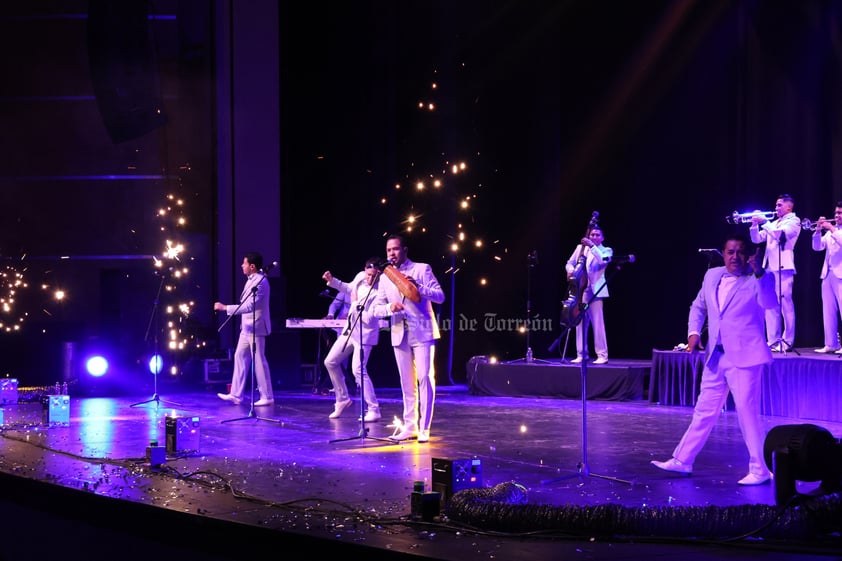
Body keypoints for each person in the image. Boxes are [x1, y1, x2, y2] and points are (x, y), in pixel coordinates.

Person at [651, 234, 778, 485]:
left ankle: (760, 469)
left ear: (748, 255)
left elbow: (770, 303)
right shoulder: (712, 275)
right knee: (704, 411)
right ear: (723, 253)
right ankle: (682, 460)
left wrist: (760, 273)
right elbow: (698, 306)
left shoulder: (759, 277)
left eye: (740, 252)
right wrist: (694, 333)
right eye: (730, 252)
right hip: (715, 356)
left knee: (746, 412)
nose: (735, 257)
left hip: (744, 358)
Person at [372, 235, 445, 443]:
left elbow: (440, 296)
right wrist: (389, 308)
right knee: (407, 383)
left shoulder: (422, 269)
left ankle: (424, 428)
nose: (391, 254)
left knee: (424, 378)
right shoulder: (385, 277)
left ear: (404, 250)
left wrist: (418, 288)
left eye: (395, 249)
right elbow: (377, 307)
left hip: (422, 331)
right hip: (399, 333)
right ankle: (410, 426)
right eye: (388, 250)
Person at [321, 257, 383, 421]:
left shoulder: (380, 291)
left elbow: (370, 318)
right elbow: (348, 288)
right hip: (350, 331)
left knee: (358, 370)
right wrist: (332, 281)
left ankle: (374, 409)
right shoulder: (360, 277)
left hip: (365, 335)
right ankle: (342, 399)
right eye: (369, 274)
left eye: (374, 275)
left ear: (380, 274)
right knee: (330, 361)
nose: (370, 278)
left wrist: (354, 304)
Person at [214, 251, 274, 407]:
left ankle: (267, 396)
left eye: (244, 263)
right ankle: (236, 394)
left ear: (252, 266)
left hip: (257, 327)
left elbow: (249, 306)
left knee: (259, 361)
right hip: (246, 328)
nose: (242, 265)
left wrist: (225, 307)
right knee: (239, 356)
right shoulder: (252, 280)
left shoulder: (261, 282)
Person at [749, 194, 801, 351]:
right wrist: (753, 224)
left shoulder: (794, 221)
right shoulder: (775, 222)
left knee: (786, 305)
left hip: (783, 267)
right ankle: (772, 341)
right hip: (769, 267)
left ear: (788, 207)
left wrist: (765, 221)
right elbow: (757, 239)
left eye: (779, 205)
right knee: (770, 305)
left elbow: (780, 236)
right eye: (776, 205)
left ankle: (787, 341)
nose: (776, 208)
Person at [564, 225, 612, 364]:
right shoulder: (580, 248)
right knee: (580, 322)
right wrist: (571, 270)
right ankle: (581, 354)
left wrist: (591, 245)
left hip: (595, 291)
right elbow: (570, 262)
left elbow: (602, 260)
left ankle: (602, 355)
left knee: (597, 323)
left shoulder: (606, 250)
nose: (594, 237)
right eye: (592, 235)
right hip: (581, 290)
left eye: (597, 235)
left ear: (602, 238)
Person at [811, 203, 842, 354]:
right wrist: (817, 230)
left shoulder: (834, 231)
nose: (837, 216)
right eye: (836, 213)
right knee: (828, 311)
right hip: (828, 274)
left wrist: (831, 228)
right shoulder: (831, 232)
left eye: (840, 213)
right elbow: (817, 247)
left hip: (841, 275)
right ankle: (831, 343)